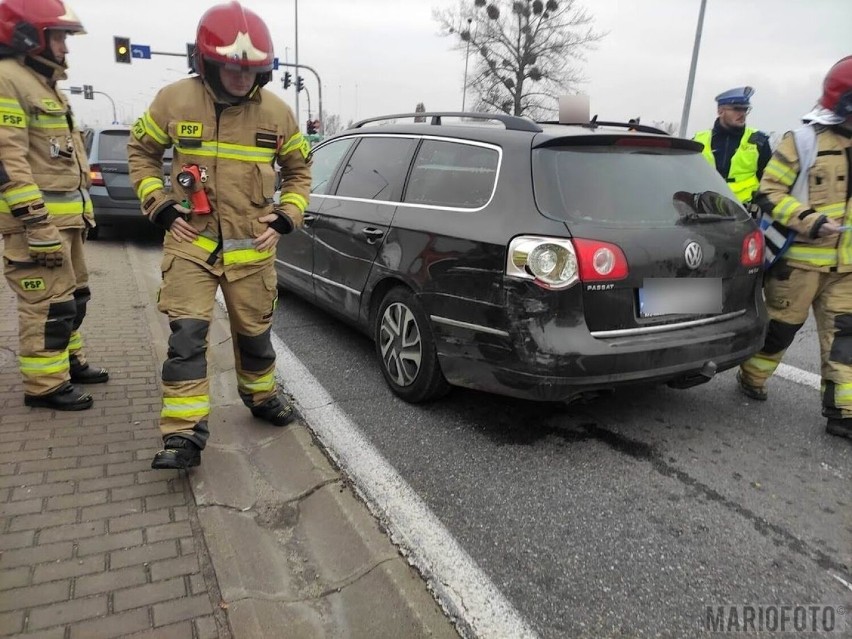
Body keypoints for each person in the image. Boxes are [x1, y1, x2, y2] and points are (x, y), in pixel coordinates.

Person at [128, 1, 312, 470]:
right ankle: (183, 436)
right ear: (208, 62)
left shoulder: (278, 113)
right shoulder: (174, 100)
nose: (240, 77)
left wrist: (288, 216)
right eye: (231, 67)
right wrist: (161, 206)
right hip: (190, 245)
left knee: (255, 335)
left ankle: (261, 395)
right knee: (186, 338)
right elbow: (141, 152)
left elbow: (299, 171)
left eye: (250, 69)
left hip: (252, 249)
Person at [0, 0, 109, 412]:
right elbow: (7, 161)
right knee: (47, 306)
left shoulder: (42, 84)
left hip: (66, 222)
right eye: (60, 36)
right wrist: (36, 225)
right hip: (38, 226)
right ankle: (44, 385)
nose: (66, 46)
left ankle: (68, 362)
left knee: (73, 298)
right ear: (30, 36)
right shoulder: (7, 80)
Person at [737, 56, 852, 441]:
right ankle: (751, 377)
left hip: (846, 269)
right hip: (799, 264)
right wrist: (811, 220)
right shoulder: (802, 142)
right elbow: (769, 192)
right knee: (780, 332)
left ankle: (843, 411)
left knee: (845, 340)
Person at [693, 86, 772, 203]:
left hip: (745, 212)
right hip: (705, 209)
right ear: (720, 111)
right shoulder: (699, 140)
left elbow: (768, 182)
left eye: (745, 110)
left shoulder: (758, 141)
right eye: (737, 109)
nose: (742, 114)